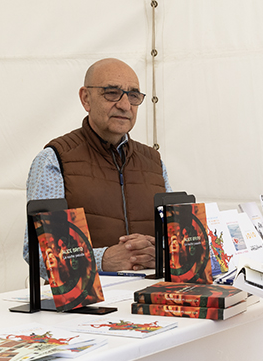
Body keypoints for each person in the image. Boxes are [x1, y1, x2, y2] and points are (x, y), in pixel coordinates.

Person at [23, 58, 171, 272]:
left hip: (150, 300)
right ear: (86, 98)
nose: (124, 105)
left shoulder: (154, 162)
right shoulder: (54, 160)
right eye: (111, 92)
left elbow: (179, 241)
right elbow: (38, 252)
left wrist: (159, 252)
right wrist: (103, 260)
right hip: (86, 304)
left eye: (133, 95)